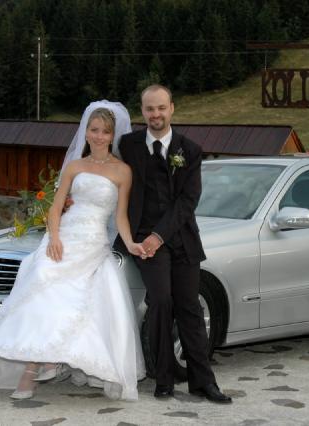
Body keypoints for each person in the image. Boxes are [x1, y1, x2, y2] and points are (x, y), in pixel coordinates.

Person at [0, 101, 146, 401]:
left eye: (105, 131)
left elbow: (121, 217)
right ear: (86, 132)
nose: (99, 136)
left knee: (70, 302)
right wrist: (54, 237)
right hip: (63, 239)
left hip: (93, 245)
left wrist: (132, 244)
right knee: (42, 288)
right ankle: (37, 365)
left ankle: (40, 366)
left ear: (113, 135)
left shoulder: (123, 172)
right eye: (94, 130)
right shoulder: (75, 166)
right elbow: (56, 206)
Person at [114, 84, 232, 403]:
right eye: (150, 109)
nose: (156, 114)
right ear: (142, 112)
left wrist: (160, 235)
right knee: (161, 301)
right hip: (143, 241)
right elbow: (105, 170)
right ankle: (163, 378)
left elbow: (187, 201)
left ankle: (202, 382)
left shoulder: (189, 150)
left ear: (172, 108)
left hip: (182, 239)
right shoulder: (128, 145)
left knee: (190, 307)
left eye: (161, 108)